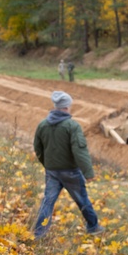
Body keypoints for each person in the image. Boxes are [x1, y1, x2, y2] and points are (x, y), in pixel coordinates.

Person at [33, 91, 104, 238]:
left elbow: (37, 148)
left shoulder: (43, 125)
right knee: (82, 199)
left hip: (52, 171)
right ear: (66, 107)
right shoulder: (72, 126)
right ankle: (93, 227)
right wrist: (88, 173)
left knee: (48, 202)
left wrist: (48, 164)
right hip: (70, 172)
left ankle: (39, 233)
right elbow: (80, 150)